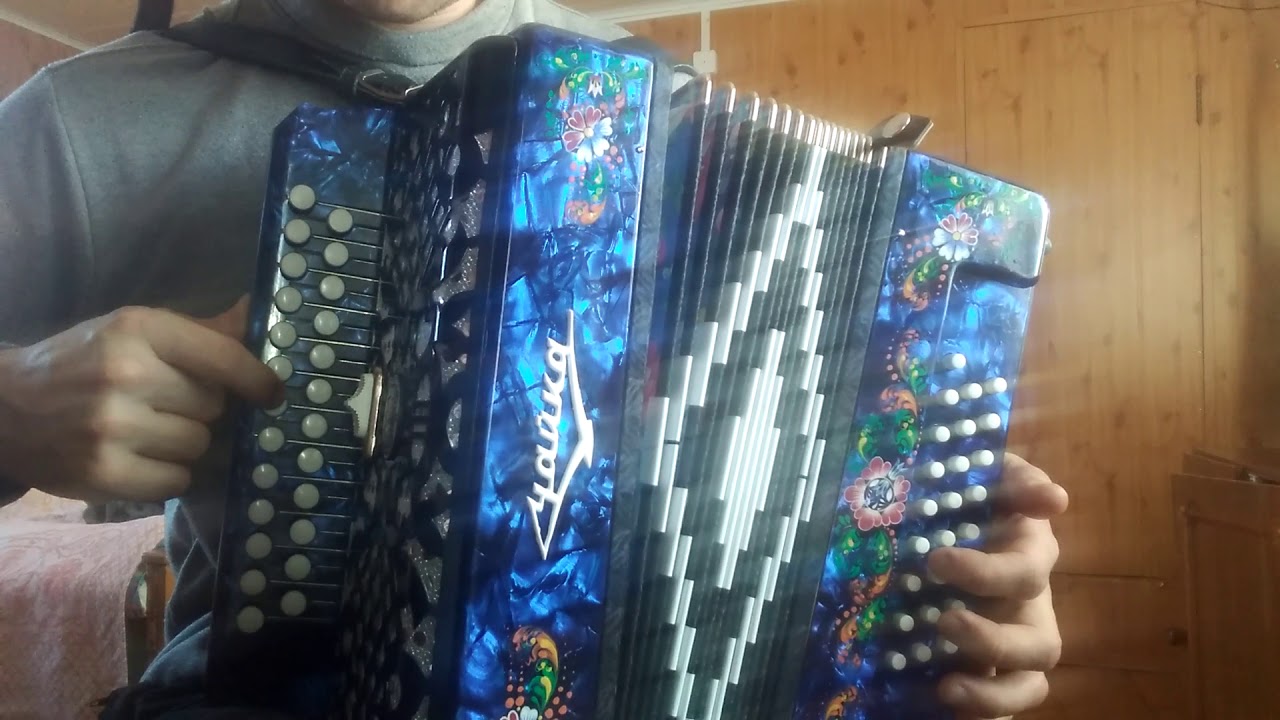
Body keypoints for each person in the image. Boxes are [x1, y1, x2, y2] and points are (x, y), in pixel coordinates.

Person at [0, 0, 1069, 718]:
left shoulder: (667, 111)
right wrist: (12, 409)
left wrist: (944, 601)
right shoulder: (82, 125)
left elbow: (792, 463)